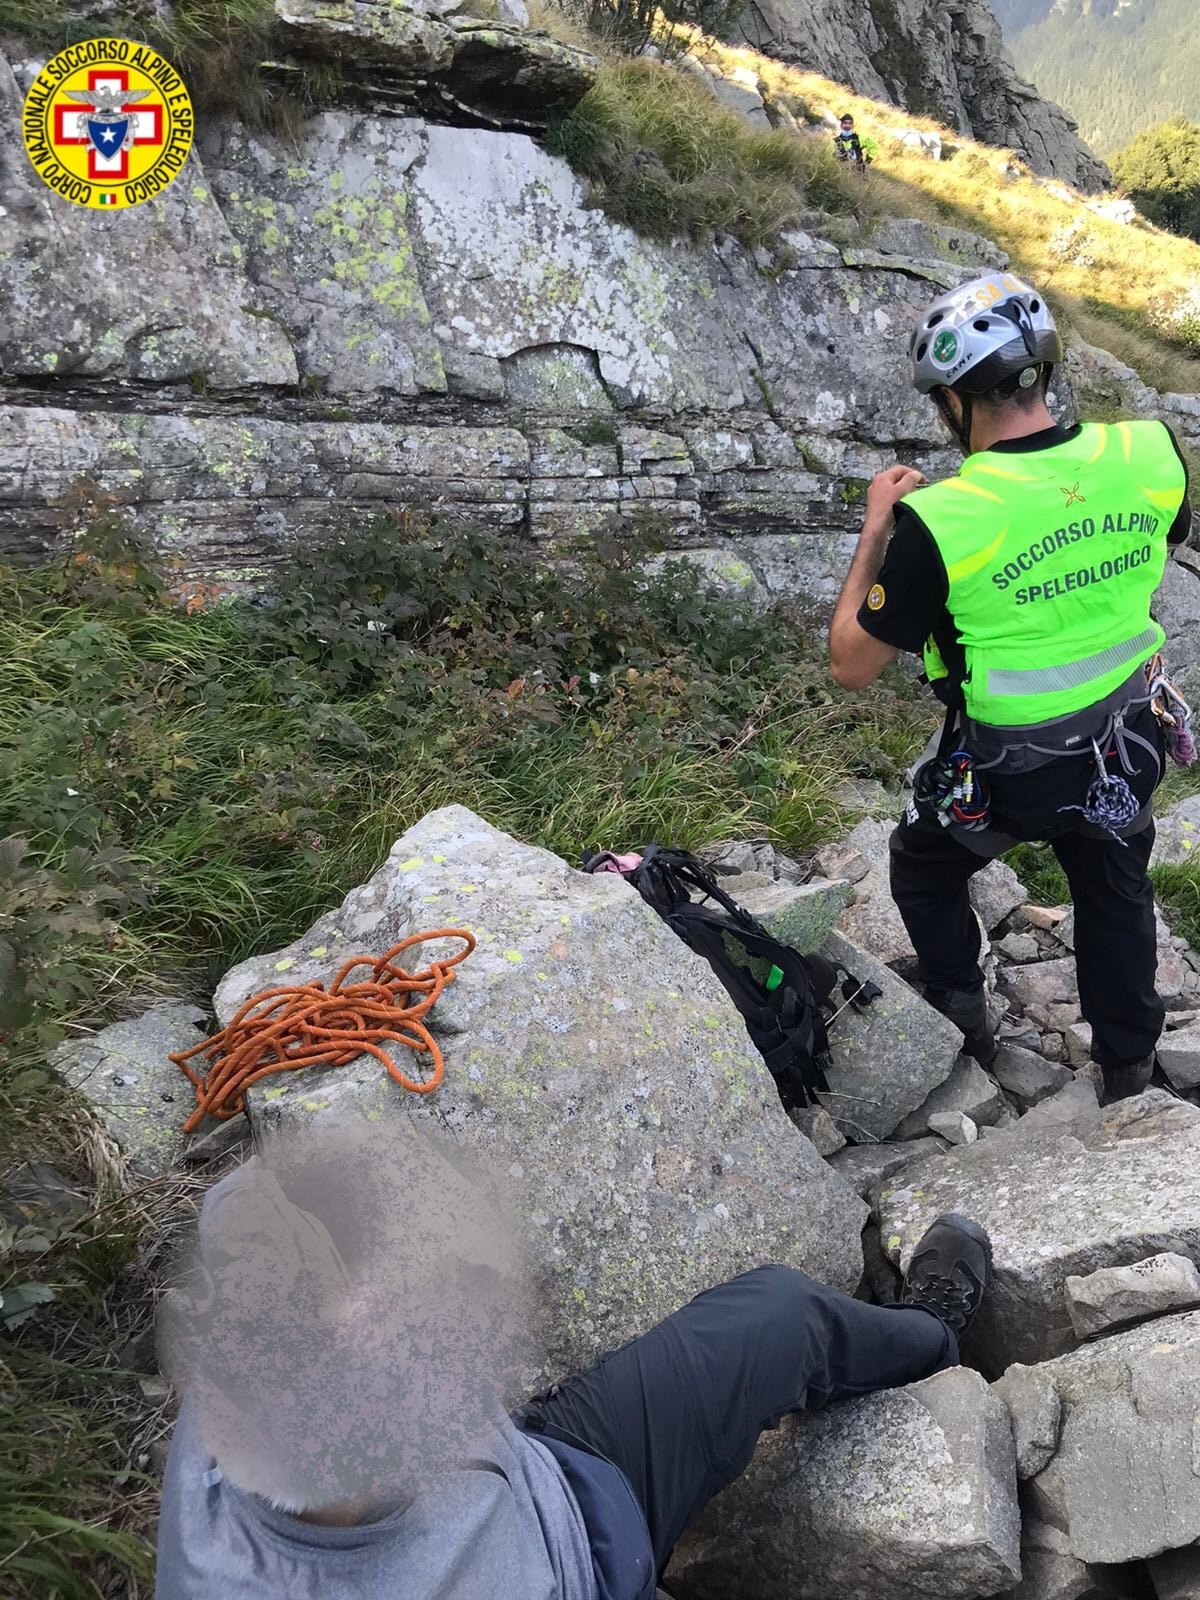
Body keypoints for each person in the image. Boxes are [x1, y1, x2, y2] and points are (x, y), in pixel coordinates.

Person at [155, 1126, 994, 1599]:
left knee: (780, 1311)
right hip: (594, 1561)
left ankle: (928, 1334)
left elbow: (255, 1220)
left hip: (552, 1461)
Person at [828, 272, 1192, 1102]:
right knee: (1114, 883)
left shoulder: (943, 520)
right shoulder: (1148, 452)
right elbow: (1158, 553)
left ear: (955, 402)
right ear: (1045, 374)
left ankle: (962, 1007)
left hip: (1009, 774)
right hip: (1126, 742)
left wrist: (876, 526)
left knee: (921, 866)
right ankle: (1130, 1070)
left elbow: (851, 665)